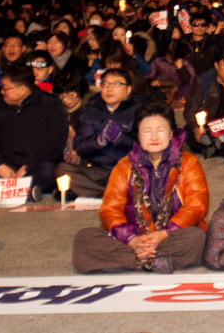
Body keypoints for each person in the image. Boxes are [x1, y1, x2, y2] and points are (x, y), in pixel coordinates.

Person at [73, 109, 209, 273]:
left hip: (171, 237)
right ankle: (151, 261)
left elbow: (196, 206)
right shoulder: (124, 165)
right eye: (147, 131)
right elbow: (110, 208)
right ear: (138, 136)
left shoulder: (189, 162)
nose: (154, 137)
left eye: (160, 130)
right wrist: (131, 240)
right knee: (84, 239)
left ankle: (131, 260)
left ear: (171, 133)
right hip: (132, 237)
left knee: (196, 238)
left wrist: (164, 234)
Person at [0, 71, 69, 199]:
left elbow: (54, 144)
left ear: (22, 90)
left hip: (36, 165)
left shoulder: (51, 104)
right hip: (6, 166)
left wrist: (28, 166)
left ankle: (13, 191)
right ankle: (25, 191)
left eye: (5, 89)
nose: (1, 92)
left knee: (51, 171)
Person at [60, 68, 144, 198]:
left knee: (143, 178)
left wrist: (120, 139)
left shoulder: (141, 108)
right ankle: (112, 191)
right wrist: (98, 141)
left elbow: (147, 148)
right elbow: (80, 146)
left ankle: (97, 191)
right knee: (62, 171)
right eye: (105, 84)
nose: (109, 89)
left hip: (131, 169)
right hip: (101, 170)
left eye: (116, 84)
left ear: (128, 90)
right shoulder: (92, 109)